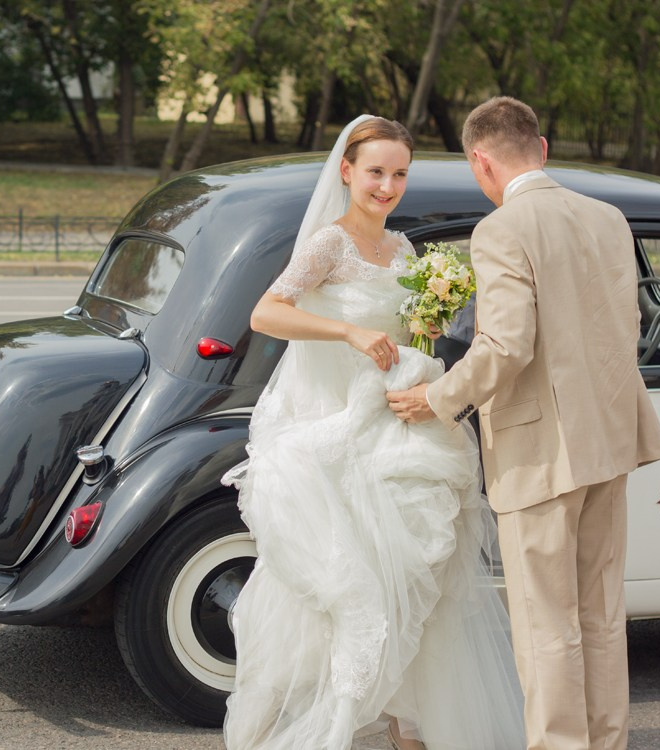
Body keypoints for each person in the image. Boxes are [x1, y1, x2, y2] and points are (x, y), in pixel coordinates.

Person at [221, 115, 526, 750]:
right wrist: (350, 332)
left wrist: (425, 336)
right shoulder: (328, 245)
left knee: (418, 580)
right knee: (353, 588)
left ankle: (406, 727)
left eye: (399, 174)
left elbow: (409, 335)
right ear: (347, 172)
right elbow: (266, 312)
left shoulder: (406, 250)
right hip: (336, 428)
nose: (387, 186)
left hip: (394, 429)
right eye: (376, 172)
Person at [386, 97, 660, 750]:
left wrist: (436, 398)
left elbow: (506, 346)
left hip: (540, 452)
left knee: (547, 625)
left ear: (480, 161)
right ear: (538, 149)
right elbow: (620, 328)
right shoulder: (607, 217)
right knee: (601, 616)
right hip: (611, 440)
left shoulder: (502, 230)